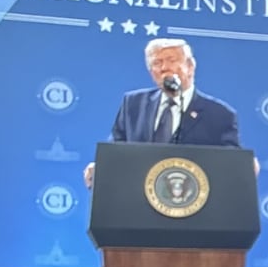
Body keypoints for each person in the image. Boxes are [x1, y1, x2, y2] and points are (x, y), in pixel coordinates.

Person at [82, 38, 240, 188]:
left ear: (190, 67)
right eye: (157, 63)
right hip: (137, 197)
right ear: (151, 72)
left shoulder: (219, 114)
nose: (164, 68)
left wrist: (243, 167)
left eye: (172, 60)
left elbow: (231, 164)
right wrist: (101, 168)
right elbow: (116, 149)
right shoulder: (133, 104)